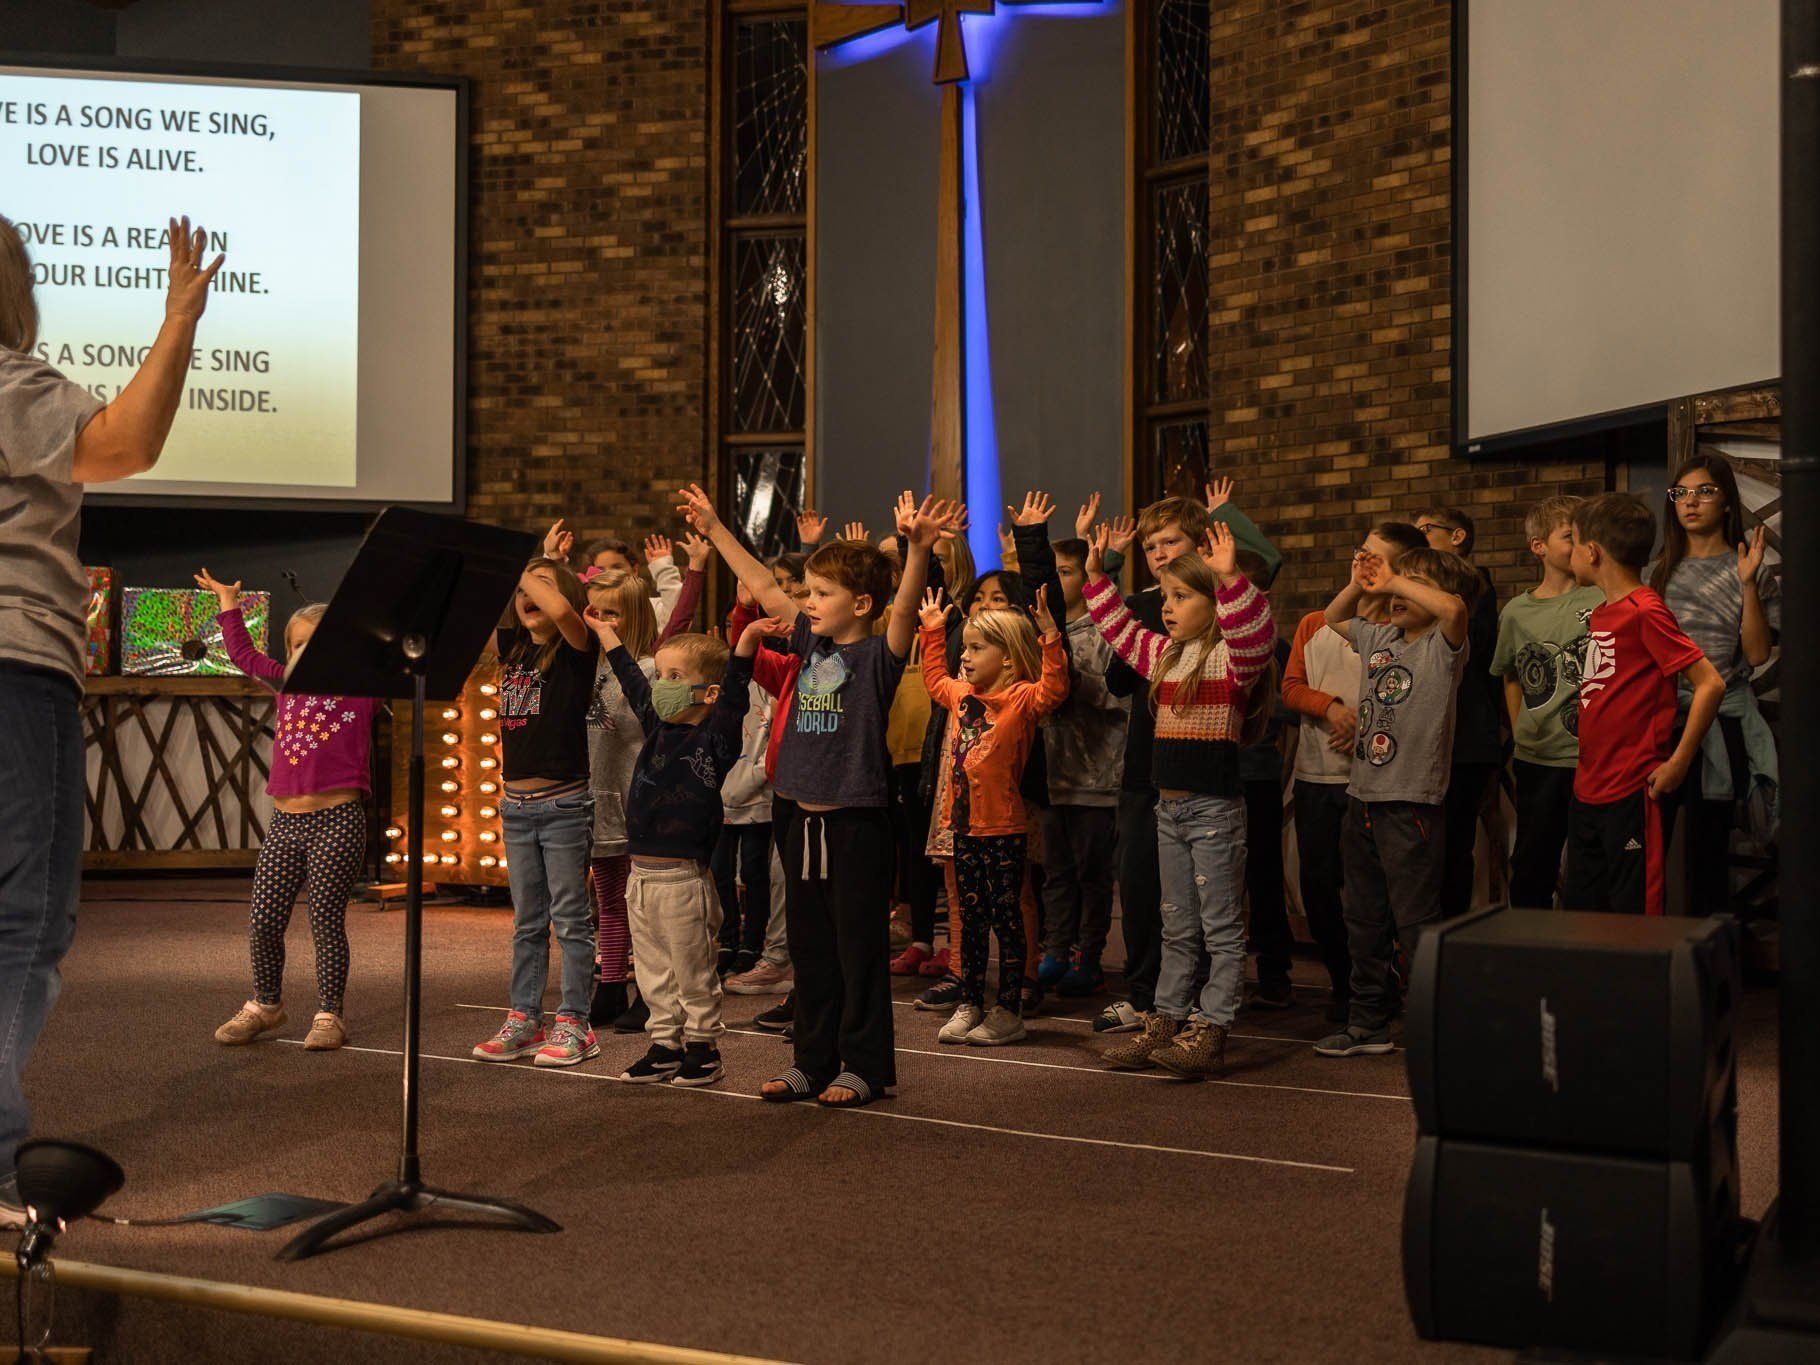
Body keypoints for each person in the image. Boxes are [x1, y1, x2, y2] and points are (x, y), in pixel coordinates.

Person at [0, 213, 221, 1218]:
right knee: (24, 918)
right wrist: (179, 321)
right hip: (12, 667)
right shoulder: (12, 384)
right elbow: (125, 444)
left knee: (27, 922)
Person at [680, 483, 958, 1108]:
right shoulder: (809, 643)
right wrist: (718, 528)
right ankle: (812, 1059)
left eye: (822, 594)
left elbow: (906, 606)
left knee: (856, 950)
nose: (807, 602)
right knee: (810, 949)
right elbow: (765, 586)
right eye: (807, 591)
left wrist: (916, 552)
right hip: (797, 816)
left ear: (861, 604)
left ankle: (863, 1065)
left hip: (855, 824)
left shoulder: (878, 654)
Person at [1087, 522, 1278, 1079]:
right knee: (1176, 923)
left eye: (1181, 596)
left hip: (1212, 812)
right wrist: (1099, 575)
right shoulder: (1166, 656)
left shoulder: (1233, 660)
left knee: (1219, 928)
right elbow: (1119, 629)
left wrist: (1230, 580)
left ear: (1214, 604)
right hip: (1168, 811)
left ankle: (1211, 1029)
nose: (1166, 608)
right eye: (1166, 597)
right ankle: (1165, 1021)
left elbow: (1256, 633)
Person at [583, 608, 769, 1087]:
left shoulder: (716, 737)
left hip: (684, 879)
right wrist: (606, 633)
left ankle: (703, 1048)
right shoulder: (656, 725)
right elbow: (631, 680)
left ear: (706, 693)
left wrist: (745, 640)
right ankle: (665, 1044)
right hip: (639, 877)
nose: (660, 684)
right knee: (652, 970)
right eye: (661, 674)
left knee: (693, 970)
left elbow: (733, 694)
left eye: (674, 676)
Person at [198, 570, 379, 1052]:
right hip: (285, 822)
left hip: (336, 820)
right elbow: (242, 655)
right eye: (296, 644)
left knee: (324, 917)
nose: (303, 653)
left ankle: (328, 1013)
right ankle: (266, 1003)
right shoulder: (284, 686)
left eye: (314, 644)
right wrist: (227, 603)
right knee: (263, 918)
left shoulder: (360, 690)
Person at [1314, 543, 1476, 1058]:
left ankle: (1428, 1020)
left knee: (1415, 919)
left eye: (1411, 584)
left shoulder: (1444, 645)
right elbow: (1333, 616)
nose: (1396, 592)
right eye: (1397, 582)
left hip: (1410, 802)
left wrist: (1392, 578)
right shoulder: (1381, 635)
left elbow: (1454, 609)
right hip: (1362, 796)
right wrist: (1363, 581)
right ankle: (1368, 1022)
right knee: (1363, 916)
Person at [1282, 523, 1423, 1023]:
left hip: (1370, 780)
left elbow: (1402, 700)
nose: (1362, 565)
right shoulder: (1316, 623)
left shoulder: (1404, 631)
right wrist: (1328, 708)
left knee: (1373, 895)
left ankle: (1381, 987)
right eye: (1360, 554)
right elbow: (1292, 687)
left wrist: (1360, 724)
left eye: (1374, 559)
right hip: (1318, 776)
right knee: (1318, 889)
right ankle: (1343, 983)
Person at [920, 584, 1069, 1046]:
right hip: (962, 828)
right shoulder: (961, 693)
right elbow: (933, 679)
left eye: (976, 648)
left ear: (1007, 659)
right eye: (963, 647)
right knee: (970, 917)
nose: (964, 656)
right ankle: (971, 1001)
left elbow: (1055, 688)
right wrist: (932, 633)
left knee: (1005, 919)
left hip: (1002, 828)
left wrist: (1049, 638)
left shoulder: (1023, 699)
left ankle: (1008, 1009)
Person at [1563, 493, 1724, 916]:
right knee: (1582, 910)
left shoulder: (1645, 610)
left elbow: (1710, 683)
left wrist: (1677, 764)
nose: (1570, 553)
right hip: (1588, 788)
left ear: (1593, 553)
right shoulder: (1601, 613)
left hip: (1631, 789)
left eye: (1574, 543)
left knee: (1633, 916)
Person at [471, 559, 601, 1067]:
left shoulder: (576, 646)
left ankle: (575, 1023)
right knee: (528, 921)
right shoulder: (516, 647)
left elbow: (564, 612)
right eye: (523, 588)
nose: (529, 596)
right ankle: (524, 1018)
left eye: (542, 587)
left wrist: (527, 567)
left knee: (571, 919)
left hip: (564, 804)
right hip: (516, 807)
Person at [1648, 455, 1780, 915]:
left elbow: (1760, 655)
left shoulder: (1749, 566)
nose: (1691, 502)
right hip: (1663, 722)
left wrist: (1746, 585)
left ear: (1726, 502)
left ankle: (1707, 974)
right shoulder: (1656, 572)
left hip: (1720, 724)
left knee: (1708, 859)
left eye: (1704, 491)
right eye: (1681, 493)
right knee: (1649, 856)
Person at [1490, 496, 1603, 909]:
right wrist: (1523, 730)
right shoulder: (1517, 612)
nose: (1580, 545)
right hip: (1539, 757)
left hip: (1592, 758)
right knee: (1534, 860)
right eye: (1570, 536)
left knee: (1591, 867)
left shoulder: (1599, 598)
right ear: (1539, 546)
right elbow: (1511, 674)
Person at [1034, 515, 1128, 997]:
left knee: (1093, 872)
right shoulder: (1040, 629)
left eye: (1066, 571)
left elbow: (1121, 696)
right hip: (1053, 769)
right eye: (1051, 572)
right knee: (1056, 870)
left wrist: (1070, 681)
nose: (1056, 580)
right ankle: (1055, 948)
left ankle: (1088, 955)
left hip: (1098, 769)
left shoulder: (1108, 628)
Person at [1413, 506, 1504, 916]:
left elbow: (1477, 650)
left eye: (1426, 529)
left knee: (1453, 847)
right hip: (1421, 736)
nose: (1420, 538)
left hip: (1465, 735)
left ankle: (1447, 938)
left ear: (1458, 537)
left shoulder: (1477, 586)